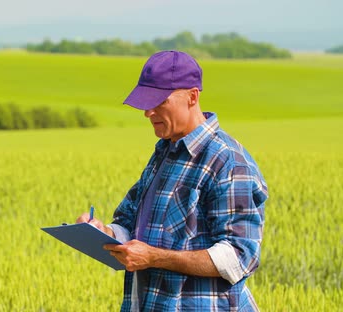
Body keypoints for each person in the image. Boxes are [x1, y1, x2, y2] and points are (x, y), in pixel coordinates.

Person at [76, 50, 268, 311]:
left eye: (159, 101)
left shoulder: (228, 162)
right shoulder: (164, 153)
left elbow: (239, 257)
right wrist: (103, 233)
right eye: (145, 102)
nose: (148, 112)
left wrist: (155, 258)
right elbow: (130, 225)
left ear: (192, 97)